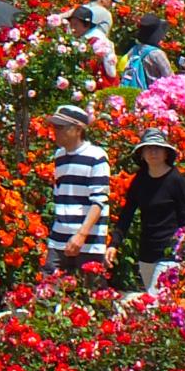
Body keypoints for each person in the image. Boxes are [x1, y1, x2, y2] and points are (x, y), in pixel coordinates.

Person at [109, 128, 185, 296]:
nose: (153, 152)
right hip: (147, 252)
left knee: (155, 300)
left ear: (166, 153)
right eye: (148, 148)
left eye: (157, 148)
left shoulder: (177, 181)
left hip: (170, 253)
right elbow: (127, 214)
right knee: (155, 307)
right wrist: (114, 244)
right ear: (141, 154)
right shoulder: (140, 180)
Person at [44, 104, 110, 275]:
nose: (55, 131)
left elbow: (99, 200)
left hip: (88, 240)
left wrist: (81, 235)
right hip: (60, 237)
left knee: (91, 294)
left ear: (78, 129)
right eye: (54, 127)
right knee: (47, 291)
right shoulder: (59, 156)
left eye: (60, 127)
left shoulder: (96, 156)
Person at [66, 6, 118, 88]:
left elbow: (111, 72)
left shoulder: (98, 42)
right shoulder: (79, 39)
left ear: (86, 25)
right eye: (71, 24)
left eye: (75, 25)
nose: (72, 28)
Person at [120, 13, 174, 91]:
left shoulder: (134, 49)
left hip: (137, 91)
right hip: (153, 95)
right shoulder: (157, 54)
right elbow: (170, 77)